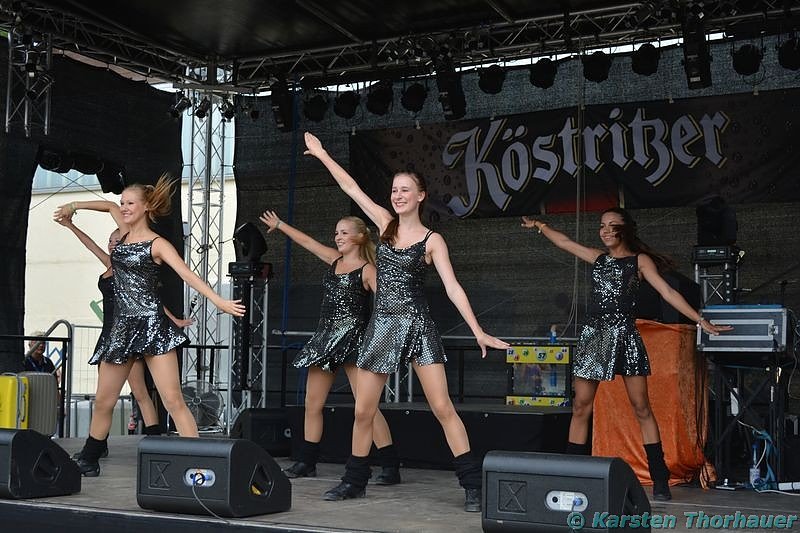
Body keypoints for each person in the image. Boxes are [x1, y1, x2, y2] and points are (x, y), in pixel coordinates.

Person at [303, 132, 508, 512]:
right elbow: (351, 187)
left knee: (442, 407)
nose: (397, 195)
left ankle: (472, 485)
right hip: (382, 326)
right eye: (394, 190)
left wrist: (478, 331)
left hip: (417, 325)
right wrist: (323, 154)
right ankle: (354, 481)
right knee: (363, 411)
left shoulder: (433, 240)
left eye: (404, 190)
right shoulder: (384, 224)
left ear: (420, 196)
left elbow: (453, 287)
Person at [521, 208, 732, 501]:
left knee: (641, 407)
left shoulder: (639, 261)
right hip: (595, 336)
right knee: (581, 406)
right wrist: (540, 224)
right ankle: (573, 474)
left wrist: (701, 321)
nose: (605, 230)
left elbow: (668, 293)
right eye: (602, 225)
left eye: (612, 225)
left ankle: (659, 477)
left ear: (625, 230)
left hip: (625, 335)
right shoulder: (598, 258)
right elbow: (565, 242)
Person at [53, 174, 245, 476]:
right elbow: (106, 206)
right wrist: (73, 206)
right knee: (103, 401)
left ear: (146, 207)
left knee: (173, 400)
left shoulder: (157, 244)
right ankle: (89, 459)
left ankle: (199, 462)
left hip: (153, 327)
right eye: (123, 203)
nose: (124, 207)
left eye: (130, 203)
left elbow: (187, 274)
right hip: (121, 329)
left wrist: (219, 301)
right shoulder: (123, 231)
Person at [259, 210, 400, 484]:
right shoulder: (334, 260)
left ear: (360, 237)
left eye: (344, 233)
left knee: (366, 407)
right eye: (336, 233)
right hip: (325, 340)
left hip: (355, 342)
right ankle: (307, 461)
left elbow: (389, 305)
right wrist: (281, 224)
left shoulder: (368, 270)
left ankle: (390, 465)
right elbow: (308, 243)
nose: (338, 237)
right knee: (312, 403)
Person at [55, 218, 194, 459]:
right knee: (104, 398)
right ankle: (96, 446)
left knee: (141, 391)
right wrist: (71, 225)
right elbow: (90, 245)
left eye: (117, 240)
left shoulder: (130, 267)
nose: (112, 244)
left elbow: (149, 301)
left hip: (134, 334)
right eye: (110, 240)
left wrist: (173, 319)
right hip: (112, 335)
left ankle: (154, 437)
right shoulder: (111, 263)